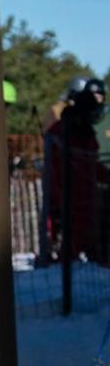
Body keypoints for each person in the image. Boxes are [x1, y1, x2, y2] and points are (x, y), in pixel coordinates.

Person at [40, 77, 106, 268]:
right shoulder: (60, 133)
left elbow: (92, 165)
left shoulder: (87, 132)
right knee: (68, 255)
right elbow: (54, 172)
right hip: (67, 202)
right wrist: (57, 203)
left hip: (88, 201)